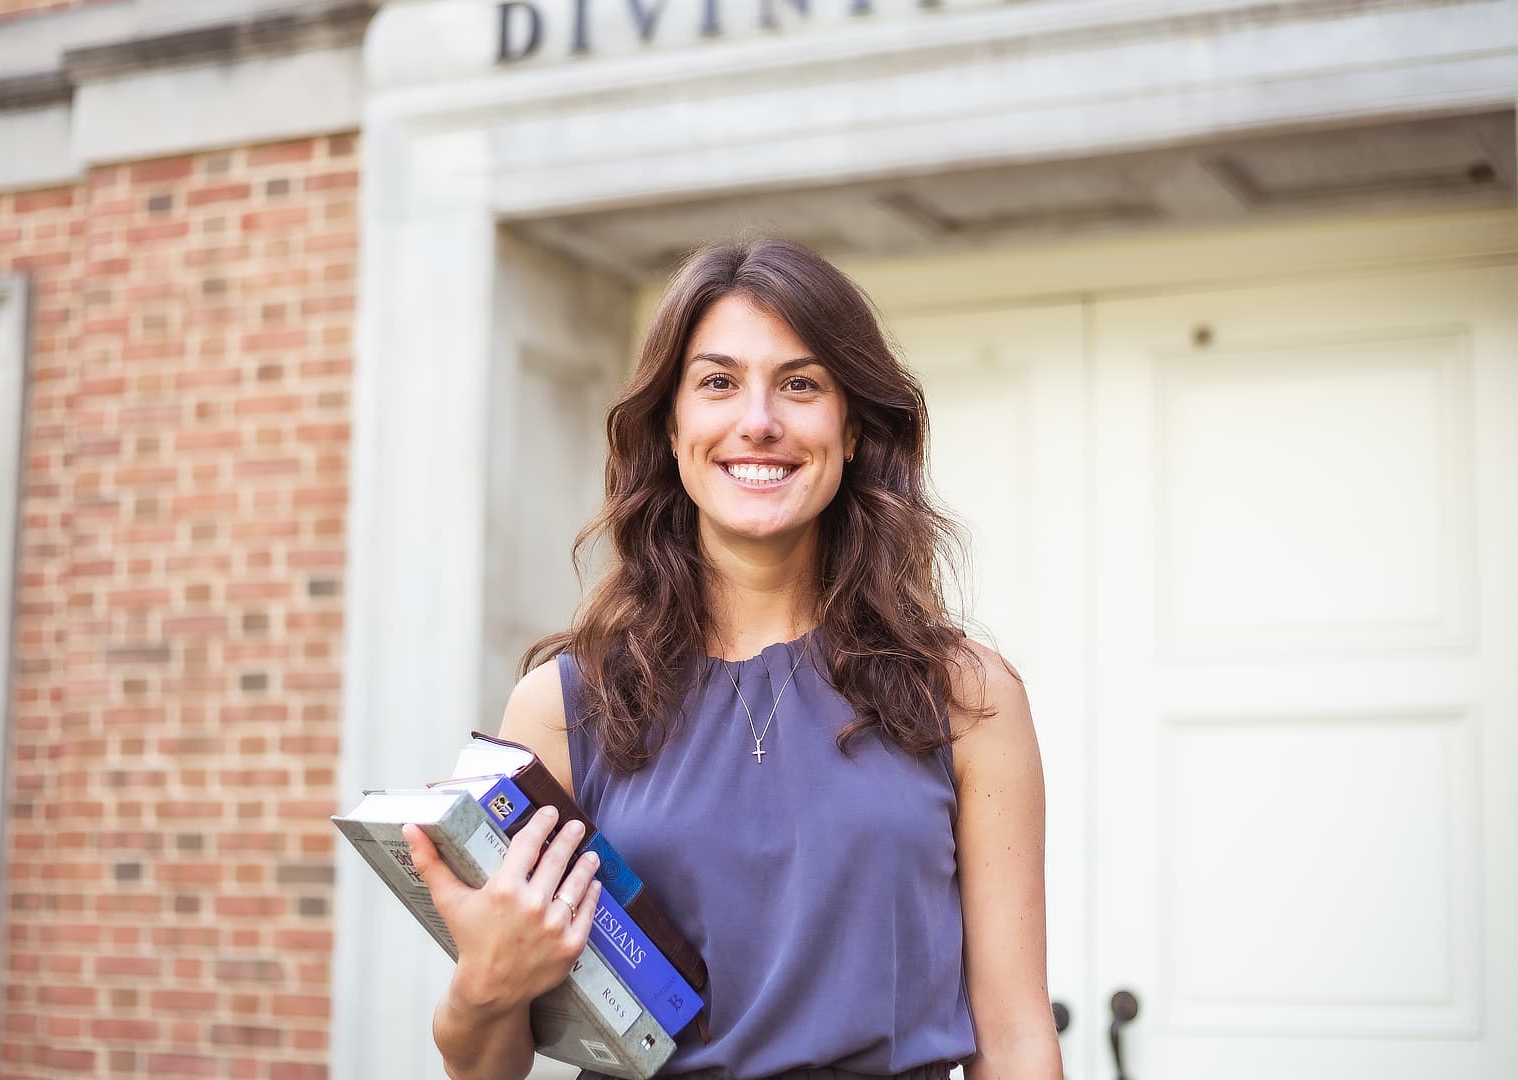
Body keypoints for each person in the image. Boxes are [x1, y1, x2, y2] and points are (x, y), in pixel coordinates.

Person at [402, 238, 1063, 1080]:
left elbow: (1014, 1036)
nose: (759, 421)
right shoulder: (563, 705)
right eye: (717, 383)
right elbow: (487, 1066)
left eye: (800, 383)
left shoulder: (969, 697)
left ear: (853, 428)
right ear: (672, 426)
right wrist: (486, 983)